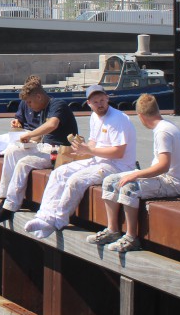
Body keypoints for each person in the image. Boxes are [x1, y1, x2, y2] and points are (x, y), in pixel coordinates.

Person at [23, 84, 136, 240]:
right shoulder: (95, 117)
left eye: (102, 100)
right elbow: (94, 142)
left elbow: (118, 152)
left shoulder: (118, 119)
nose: (100, 104)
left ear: (107, 98)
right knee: (59, 173)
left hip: (118, 166)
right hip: (99, 160)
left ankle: (58, 220)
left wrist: (89, 151)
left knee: (76, 180)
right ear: (89, 104)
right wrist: (83, 148)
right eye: (95, 102)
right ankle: (44, 216)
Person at [87, 93, 180, 253]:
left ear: (141, 116)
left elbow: (163, 167)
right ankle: (113, 230)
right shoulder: (169, 126)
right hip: (162, 177)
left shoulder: (162, 132)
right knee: (110, 181)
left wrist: (136, 174)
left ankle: (131, 237)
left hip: (171, 183)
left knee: (130, 187)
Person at [0, 79, 80, 225]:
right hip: (45, 146)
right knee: (11, 151)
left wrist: (29, 135)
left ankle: (10, 207)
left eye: (29, 102)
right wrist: (28, 138)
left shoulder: (57, 104)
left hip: (60, 152)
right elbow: (43, 135)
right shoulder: (42, 109)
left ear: (39, 97)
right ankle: (4, 197)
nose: (28, 106)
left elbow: (52, 125)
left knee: (24, 163)